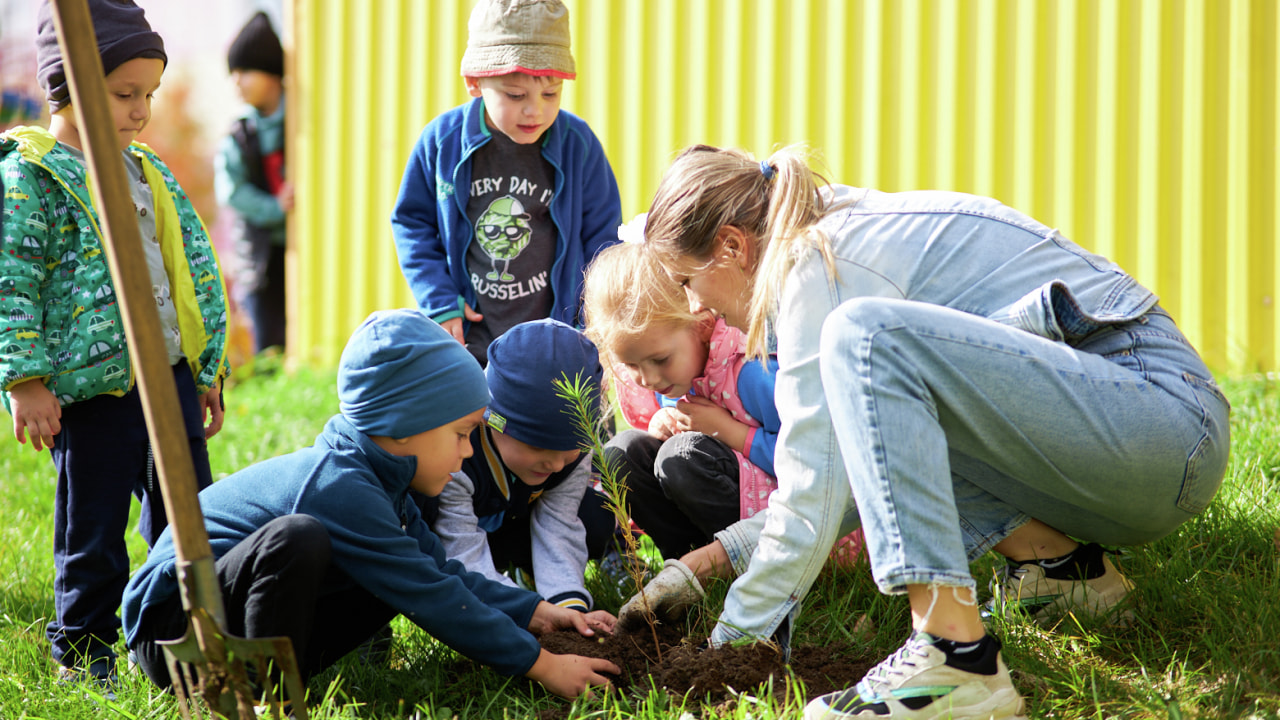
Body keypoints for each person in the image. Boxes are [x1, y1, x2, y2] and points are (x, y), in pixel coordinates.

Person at [638, 144, 1230, 720]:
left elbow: (812, 485)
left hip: (1163, 424)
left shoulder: (820, 266)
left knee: (864, 336)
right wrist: (708, 563)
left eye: (688, 282)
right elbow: (835, 472)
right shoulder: (820, 242)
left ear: (733, 246)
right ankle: (1067, 576)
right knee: (881, 388)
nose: (700, 308)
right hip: (1140, 442)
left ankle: (954, 661)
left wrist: (732, 640)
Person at [122, 310, 619, 700]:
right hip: (177, 629)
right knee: (300, 539)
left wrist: (536, 612)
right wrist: (542, 664)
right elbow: (431, 595)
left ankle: (271, 679)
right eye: (463, 434)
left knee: (397, 574)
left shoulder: (385, 481)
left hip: (235, 614)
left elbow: (439, 573)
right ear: (406, 426)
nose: (469, 451)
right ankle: (258, 697)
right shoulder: (339, 484)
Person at [0, 0, 229, 687]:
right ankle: (84, 646)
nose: (141, 110)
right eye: (125, 94)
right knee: (93, 532)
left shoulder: (144, 169)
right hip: (95, 390)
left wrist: (205, 364)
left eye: (149, 95)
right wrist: (24, 379)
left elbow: (188, 266)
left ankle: (175, 637)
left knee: (188, 518)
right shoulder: (33, 174)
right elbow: (12, 280)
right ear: (67, 87)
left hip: (171, 374)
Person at [583, 238, 862, 628]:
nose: (648, 378)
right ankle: (684, 570)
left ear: (699, 324)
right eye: (632, 365)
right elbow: (677, 408)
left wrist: (731, 432)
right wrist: (662, 419)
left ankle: (736, 571)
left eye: (659, 360)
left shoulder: (749, 370)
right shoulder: (677, 370)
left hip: (786, 523)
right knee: (623, 453)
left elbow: (812, 461)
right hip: (723, 498)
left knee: (680, 459)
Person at [391, 0, 621, 367]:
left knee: (571, 423)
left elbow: (603, 240)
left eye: (551, 94)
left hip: (561, 338)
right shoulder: (443, 141)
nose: (536, 110)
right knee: (474, 423)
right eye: (515, 95)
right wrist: (439, 300)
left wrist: (593, 318)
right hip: (471, 339)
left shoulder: (578, 145)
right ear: (474, 82)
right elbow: (412, 222)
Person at [419, 318, 619, 610]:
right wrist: (521, 612)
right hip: (450, 542)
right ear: (493, 420)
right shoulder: (458, 455)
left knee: (595, 517)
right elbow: (462, 549)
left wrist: (567, 606)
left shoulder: (570, 456)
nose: (555, 462)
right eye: (537, 446)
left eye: (571, 448)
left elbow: (559, 526)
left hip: (510, 525)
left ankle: (531, 580)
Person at [215, 11, 292, 353]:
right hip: (258, 256)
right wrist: (274, 208)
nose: (237, 82)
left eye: (244, 72)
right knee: (268, 341)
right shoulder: (240, 132)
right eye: (233, 73)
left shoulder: (300, 118)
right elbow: (231, 189)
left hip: (297, 247)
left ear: (272, 74)